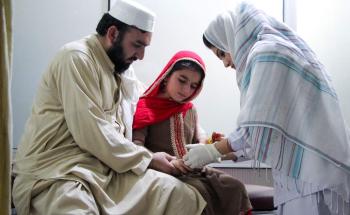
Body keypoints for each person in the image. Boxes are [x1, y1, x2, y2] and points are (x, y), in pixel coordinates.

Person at [12, 0, 207, 214]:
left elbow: (150, 101)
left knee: (181, 196)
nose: (141, 56)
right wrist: (148, 158)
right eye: (137, 45)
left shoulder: (122, 70)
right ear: (113, 34)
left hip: (107, 171)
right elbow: (91, 132)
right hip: (59, 171)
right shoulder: (76, 58)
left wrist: (198, 130)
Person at [183, 2, 350, 215]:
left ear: (232, 37)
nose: (225, 63)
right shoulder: (278, 49)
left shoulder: (267, 53)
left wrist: (212, 150)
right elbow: (266, 137)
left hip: (312, 182)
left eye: (222, 54)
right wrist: (220, 153)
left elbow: (254, 131)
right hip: (310, 177)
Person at [132, 50, 252, 215]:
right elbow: (136, 147)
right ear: (167, 76)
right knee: (198, 194)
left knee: (235, 187)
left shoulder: (189, 109)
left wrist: (212, 143)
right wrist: (158, 160)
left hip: (193, 171)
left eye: (193, 86)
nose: (186, 90)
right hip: (162, 171)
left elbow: (200, 139)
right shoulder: (145, 107)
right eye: (182, 80)